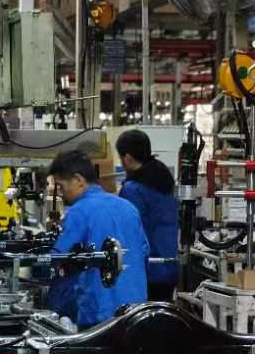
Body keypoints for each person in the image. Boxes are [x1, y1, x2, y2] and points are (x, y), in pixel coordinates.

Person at [46, 150, 150, 327]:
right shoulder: (128, 207)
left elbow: (59, 259)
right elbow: (144, 253)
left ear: (78, 180)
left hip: (100, 315)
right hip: (136, 312)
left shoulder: (79, 211)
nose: (61, 193)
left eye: (61, 186)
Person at [116, 129, 178, 300]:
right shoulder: (163, 179)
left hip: (147, 270)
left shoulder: (133, 189)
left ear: (127, 158)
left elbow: (130, 233)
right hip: (168, 266)